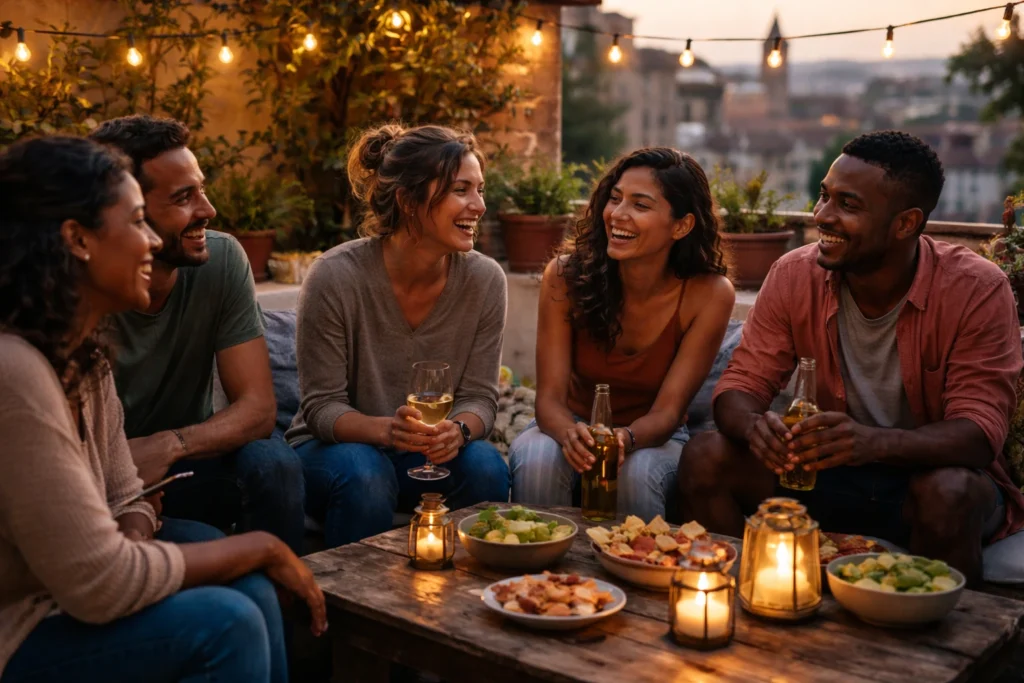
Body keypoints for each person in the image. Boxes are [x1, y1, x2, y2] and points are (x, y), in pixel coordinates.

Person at [0, 136, 326, 683]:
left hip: (71, 590)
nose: (151, 241)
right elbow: (101, 583)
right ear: (77, 239)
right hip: (20, 628)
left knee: (249, 588)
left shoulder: (86, 357)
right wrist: (264, 545)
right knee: (228, 623)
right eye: (136, 222)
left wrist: (136, 519)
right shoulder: (17, 373)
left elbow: (126, 488)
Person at [678, 130, 1024, 584]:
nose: (822, 215)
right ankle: (742, 605)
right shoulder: (794, 274)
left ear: (905, 223)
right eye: (824, 196)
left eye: (848, 205)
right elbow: (740, 386)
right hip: (825, 475)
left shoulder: (976, 288)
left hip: (919, 484)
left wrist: (871, 443)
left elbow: (978, 435)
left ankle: (940, 650)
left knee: (949, 490)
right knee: (706, 455)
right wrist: (754, 427)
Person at [285, 123, 510, 548]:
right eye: (461, 190)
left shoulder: (485, 280)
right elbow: (322, 408)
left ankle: (465, 604)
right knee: (365, 472)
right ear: (408, 201)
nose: (479, 205)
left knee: (486, 467)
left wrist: (458, 431)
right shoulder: (335, 277)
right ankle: (353, 608)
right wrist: (389, 432)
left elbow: (480, 399)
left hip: (421, 456)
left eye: (480, 189)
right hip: (335, 454)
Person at [88, 116, 305, 555]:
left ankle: (294, 605)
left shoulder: (221, 260)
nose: (208, 210)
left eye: (201, 190)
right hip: (96, 483)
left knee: (274, 463)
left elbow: (259, 409)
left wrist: (169, 445)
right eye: (183, 198)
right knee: (208, 549)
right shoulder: (82, 292)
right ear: (129, 211)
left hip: (184, 465)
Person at [509, 148, 735, 520]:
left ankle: (634, 571)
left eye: (640, 205)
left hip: (651, 438)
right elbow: (548, 400)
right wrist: (570, 434)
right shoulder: (565, 276)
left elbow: (668, 412)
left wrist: (622, 440)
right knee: (537, 459)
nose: (617, 214)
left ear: (681, 226)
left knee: (636, 473)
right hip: (570, 425)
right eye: (615, 199)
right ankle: (537, 574)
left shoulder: (709, 294)